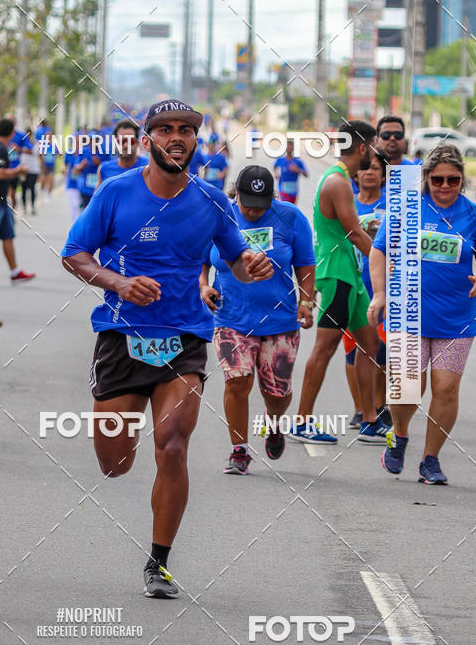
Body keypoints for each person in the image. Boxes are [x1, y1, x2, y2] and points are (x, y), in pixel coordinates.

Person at [61, 99, 273, 598]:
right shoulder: (115, 193)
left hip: (185, 338)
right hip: (122, 335)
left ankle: (159, 564)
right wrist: (119, 282)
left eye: (186, 130)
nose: (176, 137)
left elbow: (236, 259)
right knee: (114, 461)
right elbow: (74, 254)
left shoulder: (211, 200)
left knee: (173, 445)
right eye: (165, 130)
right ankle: (123, 439)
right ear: (147, 139)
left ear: (197, 140)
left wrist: (251, 264)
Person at [370, 144, 476, 485]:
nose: (444, 186)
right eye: (437, 179)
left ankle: (431, 459)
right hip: (408, 311)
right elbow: (378, 251)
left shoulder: (475, 216)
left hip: (456, 317)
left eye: (452, 180)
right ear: (426, 178)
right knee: (409, 387)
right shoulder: (407, 208)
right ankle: (399, 435)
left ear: (462, 180)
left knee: (446, 388)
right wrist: (380, 294)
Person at [200, 166, 315, 473]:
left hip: (280, 320)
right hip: (230, 316)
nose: (252, 210)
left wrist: (306, 301)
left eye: (260, 204)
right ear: (235, 194)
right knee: (237, 380)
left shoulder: (290, 218)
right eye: (247, 202)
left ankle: (273, 421)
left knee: (277, 394)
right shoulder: (218, 216)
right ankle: (239, 449)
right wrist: (203, 286)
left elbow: (305, 265)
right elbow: (200, 259)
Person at [295, 120, 390, 443]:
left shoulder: (340, 180)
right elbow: (355, 233)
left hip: (351, 274)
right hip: (337, 275)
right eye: (374, 145)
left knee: (369, 344)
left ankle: (369, 419)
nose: (375, 154)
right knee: (324, 348)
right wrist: (388, 266)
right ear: (363, 148)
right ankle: (302, 422)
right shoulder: (336, 182)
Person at [342, 151, 391, 437]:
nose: (370, 173)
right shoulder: (347, 203)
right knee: (353, 352)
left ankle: (380, 405)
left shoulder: (393, 205)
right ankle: (360, 408)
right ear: (356, 174)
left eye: (376, 169)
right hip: (354, 285)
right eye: (365, 168)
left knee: (382, 351)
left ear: (383, 175)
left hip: (384, 288)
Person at [0, 119, 35, 283]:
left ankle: (15, 272)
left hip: (1, 200)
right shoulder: (0, 149)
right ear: (12, 133)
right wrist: (17, 171)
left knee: (8, 236)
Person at [97, 118, 147, 184]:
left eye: (130, 141)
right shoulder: (104, 169)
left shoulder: (148, 167)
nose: (126, 145)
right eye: (121, 141)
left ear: (137, 143)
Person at [274, 140, 309, 204]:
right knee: (285, 207)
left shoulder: (298, 161)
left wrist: (298, 170)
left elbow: (306, 174)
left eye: (291, 145)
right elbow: (275, 166)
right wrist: (276, 173)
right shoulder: (280, 160)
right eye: (287, 145)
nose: (289, 147)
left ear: (293, 148)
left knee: (292, 208)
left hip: (294, 190)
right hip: (283, 188)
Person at [19, 126, 40, 215]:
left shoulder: (35, 142)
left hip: (33, 169)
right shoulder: (22, 142)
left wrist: (21, 149)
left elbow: (33, 152)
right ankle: (24, 207)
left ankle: (33, 206)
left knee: (31, 188)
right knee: (23, 189)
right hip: (23, 169)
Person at [36, 119, 55, 202]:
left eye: (50, 135)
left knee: (51, 180)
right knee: (43, 181)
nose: (49, 136)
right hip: (44, 164)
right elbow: (40, 154)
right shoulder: (42, 144)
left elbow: (58, 154)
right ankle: (42, 190)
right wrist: (42, 163)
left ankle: (49, 194)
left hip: (51, 165)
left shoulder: (54, 144)